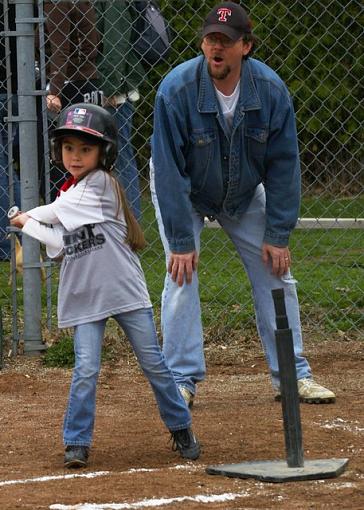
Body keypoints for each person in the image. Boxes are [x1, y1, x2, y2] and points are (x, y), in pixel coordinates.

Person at [150, 2, 335, 407]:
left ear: (245, 46)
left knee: (277, 271)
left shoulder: (269, 90)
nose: (216, 48)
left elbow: (284, 165)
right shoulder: (175, 90)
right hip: (184, 190)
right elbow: (167, 172)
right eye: (210, 39)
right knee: (181, 274)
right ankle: (181, 380)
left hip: (245, 191)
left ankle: (292, 375)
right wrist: (182, 240)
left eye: (226, 41)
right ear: (202, 43)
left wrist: (278, 233)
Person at [10, 103, 200, 468]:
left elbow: (49, 214)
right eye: (68, 148)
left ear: (104, 152)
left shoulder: (101, 183)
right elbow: (57, 243)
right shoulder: (71, 193)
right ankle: (76, 442)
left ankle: (181, 427)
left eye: (86, 149)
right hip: (86, 297)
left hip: (124, 291)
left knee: (154, 365)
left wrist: (23, 216)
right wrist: (25, 225)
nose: (76, 157)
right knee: (86, 369)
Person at [38, 1, 103, 200]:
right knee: (84, 155)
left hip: (71, 84)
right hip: (87, 81)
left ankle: (61, 206)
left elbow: (61, 48)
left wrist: (55, 90)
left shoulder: (56, 3)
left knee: (61, 158)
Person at [95, 0, 144, 220]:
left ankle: (131, 224)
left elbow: (116, 41)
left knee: (119, 156)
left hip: (115, 93)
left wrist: (111, 87)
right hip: (104, 88)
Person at [0, 1, 21, 260]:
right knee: (6, 167)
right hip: (15, 91)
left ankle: (10, 244)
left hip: (7, 92)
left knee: (3, 168)